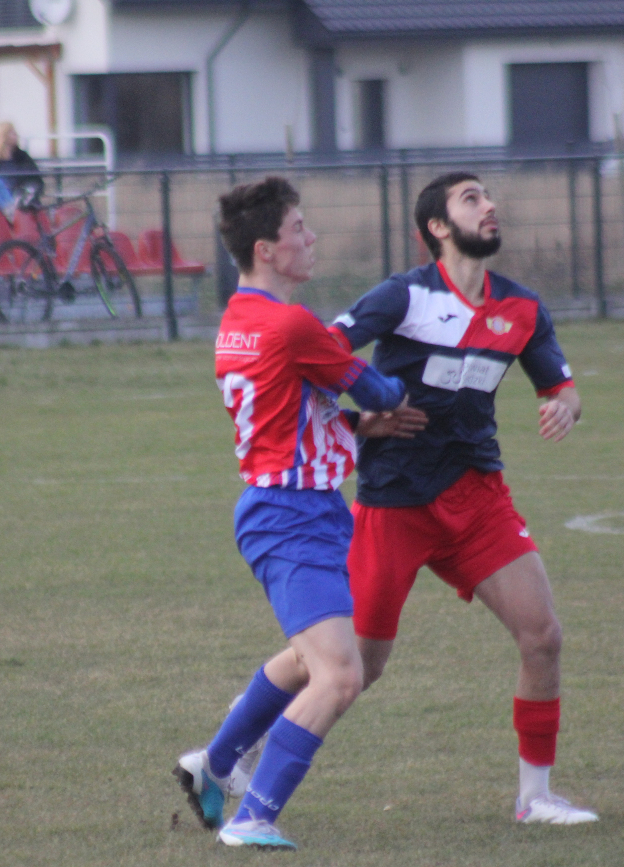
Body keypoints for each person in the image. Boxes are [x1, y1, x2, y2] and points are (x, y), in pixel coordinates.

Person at [328, 171, 599, 825]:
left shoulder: (523, 309)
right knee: (355, 668)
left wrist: (566, 405)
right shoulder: (402, 296)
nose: (491, 205)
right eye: (471, 199)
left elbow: (560, 388)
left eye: (490, 195)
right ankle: (236, 749)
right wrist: (359, 418)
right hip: (393, 503)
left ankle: (534, 798)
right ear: (438, 228)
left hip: (477, 498)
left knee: (543, 636)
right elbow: (317, 355)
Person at [173, 177, 419, 851]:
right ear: (267, 249)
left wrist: (351, 428)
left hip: (291, 505)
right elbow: (380, 386)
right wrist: (404, 376)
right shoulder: (292, 324)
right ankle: (253, 814)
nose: (311, 240)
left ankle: (215, 763)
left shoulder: (240, 320)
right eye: (300, 230)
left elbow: (288, 412)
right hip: (292, 513)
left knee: (313, 658)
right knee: (341, 673)